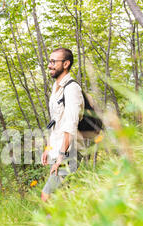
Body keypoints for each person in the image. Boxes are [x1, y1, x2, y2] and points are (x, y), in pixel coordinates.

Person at [41, 48, 84, 202]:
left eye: (54, 62)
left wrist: (61, 156)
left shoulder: (72, 89)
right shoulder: (56, 88)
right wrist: (48, 148)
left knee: (47, 196)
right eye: (49, 61)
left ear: (66, 64)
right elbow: (56, 123)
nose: (49, 65)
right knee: (64, 198)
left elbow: (70, 125)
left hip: (67, 153)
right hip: (58, 149)